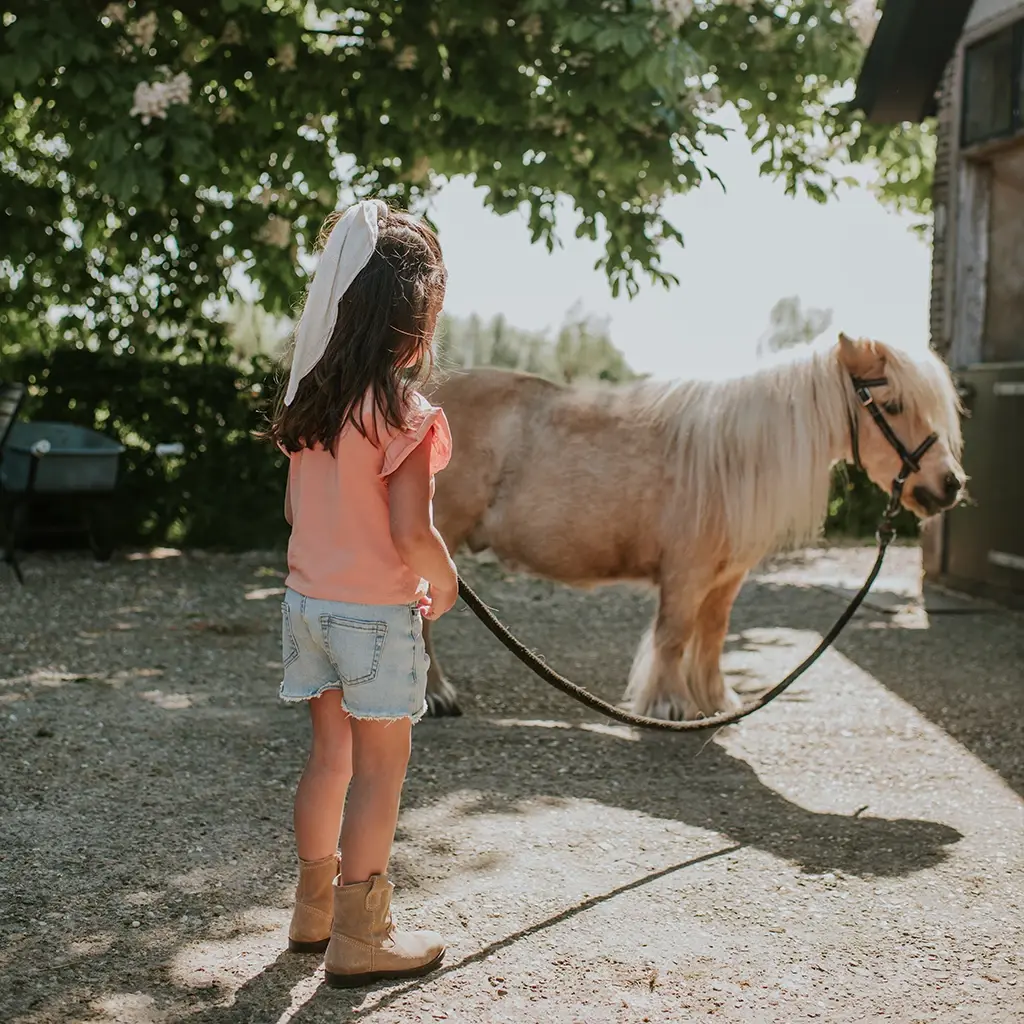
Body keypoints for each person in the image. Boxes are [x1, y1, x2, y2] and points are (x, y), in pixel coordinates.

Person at [266, 199, 458, 988]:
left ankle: (311, 913)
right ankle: (362, 935)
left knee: (329, 758)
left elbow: (291, 511)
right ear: (411, 329)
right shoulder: (405, 416)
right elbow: (412, 532)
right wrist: (441, 579)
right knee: (381, 771)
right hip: (375, 618)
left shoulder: (307, 408)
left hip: (305, 608)